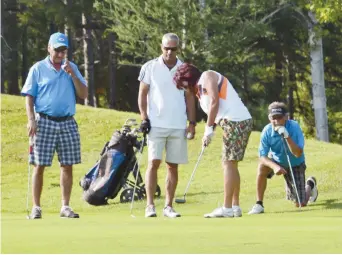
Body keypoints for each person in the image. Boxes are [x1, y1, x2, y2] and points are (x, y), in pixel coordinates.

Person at [21, 32, 88, 219]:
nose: (60, 54)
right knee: (39, 165)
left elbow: (83, 94)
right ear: (49, 48)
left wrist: (73, 75)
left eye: (63, 50)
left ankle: (65, 206)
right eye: (57, 50)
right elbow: (29, 97)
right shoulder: (38, 69)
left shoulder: (71, 68)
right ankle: (36, 207)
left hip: (67, 122)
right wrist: (31, 119)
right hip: (44, 121)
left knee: (67, 165)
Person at [173, 63, 253, 218]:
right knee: (231, 163)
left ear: (188, 79)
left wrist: (208, 128)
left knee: (228, 163)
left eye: (183, 85)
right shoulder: (200, 93)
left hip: (235, 121)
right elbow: (215, 111)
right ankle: (235, 206)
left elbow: (215, 101)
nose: (184, 89)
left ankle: (227, 208)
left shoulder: (207, 76)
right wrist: (210, 133)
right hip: (233, 122)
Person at [138, 33, 196, 218]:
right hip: (156, 124)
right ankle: (150, 206)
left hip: (178, 124)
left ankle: (168, 206)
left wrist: (192, 123)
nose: (169, 52)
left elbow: (189, 97)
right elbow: (142, 94)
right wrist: (144, 118)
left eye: (173, 48)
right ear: (161, 47)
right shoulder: (150, 67)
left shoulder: (184, 68)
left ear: (178, 49)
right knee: (153, 163)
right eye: (166, 48)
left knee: (173, 166)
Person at [248, 102, 318, 214]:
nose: (276, 121)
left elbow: (298, 153)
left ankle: (310, 184)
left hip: (295, 163)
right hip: (277, 161)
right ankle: (259, 204)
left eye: (279, 118)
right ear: (269, 118)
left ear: (286, 117)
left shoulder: (294, 127)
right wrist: (275, 167)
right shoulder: (267, 131)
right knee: (262, 166)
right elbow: (262, 156)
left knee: (300, 203)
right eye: (273, 118)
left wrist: (287, 136)